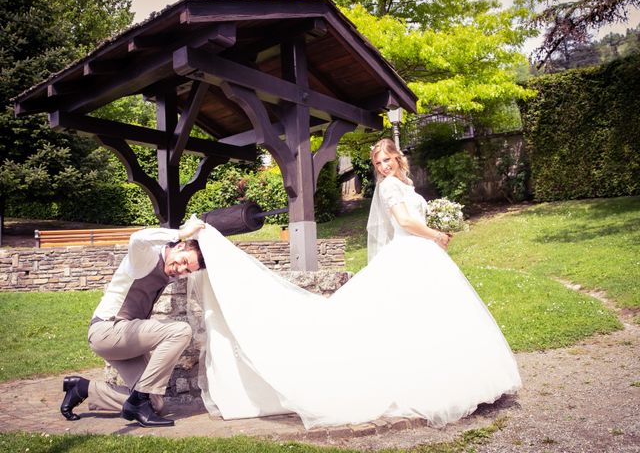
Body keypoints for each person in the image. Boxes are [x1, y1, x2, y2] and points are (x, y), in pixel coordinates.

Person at [184, 138, 522, 429]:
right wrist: (435, 234)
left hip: (421, 254)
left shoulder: (405, 184)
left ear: (398, 158)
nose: (385, 166)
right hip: (413, 252)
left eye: (388, 159)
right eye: (378, 162)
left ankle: (455, 380)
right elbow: (404, 221)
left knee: (430, 319)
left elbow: (411, 215)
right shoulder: (389, 187)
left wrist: (433, 230)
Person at [60, 221, 206, 428]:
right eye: (183, 261)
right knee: (180, 330)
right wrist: (181, 232)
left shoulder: (168, 270)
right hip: (107, 330)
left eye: (187, 270)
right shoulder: (146, 259)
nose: (180, 269)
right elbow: (137, 238)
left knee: (155, 404)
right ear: (180, 246)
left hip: (128, 338)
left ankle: (83, 389)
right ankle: (138, 401)